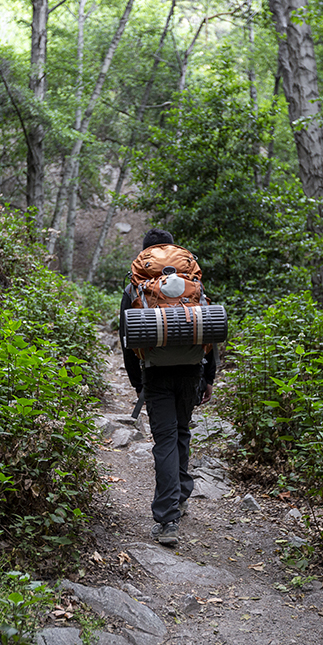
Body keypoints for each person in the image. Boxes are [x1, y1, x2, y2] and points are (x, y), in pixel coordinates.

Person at [120, 228, 216, 546]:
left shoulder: (138, 285)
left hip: (156, 373)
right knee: (182, 431)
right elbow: (208, 329)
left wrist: (138, 384)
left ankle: (167, 518)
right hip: (191, 370)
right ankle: (182, 495)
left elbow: (127, 337)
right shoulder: (192, 281)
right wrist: (209, 378)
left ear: (146, 253)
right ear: (173, 249)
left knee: (164, 440)